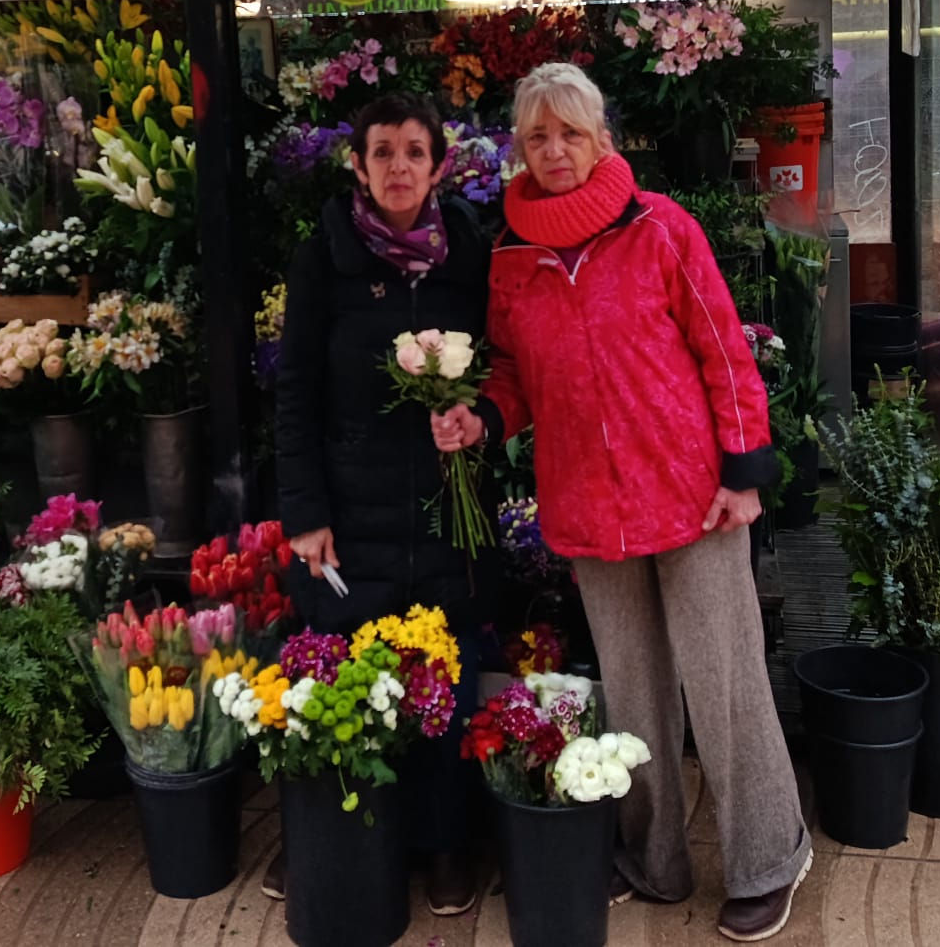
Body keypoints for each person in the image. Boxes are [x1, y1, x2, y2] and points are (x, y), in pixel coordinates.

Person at [435, 61, 812, 944]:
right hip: (586, 505)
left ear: (601, 139)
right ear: (518, 151)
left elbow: (725, 349)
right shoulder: (512, 256)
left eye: (571, 132)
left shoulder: (660, 228)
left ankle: (767, 857)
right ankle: (656, 858)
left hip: (692, 497)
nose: (556, 150)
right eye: (538, 136)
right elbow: (511, 372)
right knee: (635, 695)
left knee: (725, 685)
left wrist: (745, 472)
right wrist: (482, 416)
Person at [274, 90, 492, 915]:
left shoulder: (469, 250)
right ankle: (341, 840)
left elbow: (503, 366)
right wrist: (303, 513)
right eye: (382, 151)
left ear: (439, 165)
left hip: (446, 507)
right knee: (353, 678)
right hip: (351, 512)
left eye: (414, 150)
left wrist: (482, 421)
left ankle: (441, 847)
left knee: (445, 677)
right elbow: (293, 393)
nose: (399, 165)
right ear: (358, 168)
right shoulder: (323, 257)